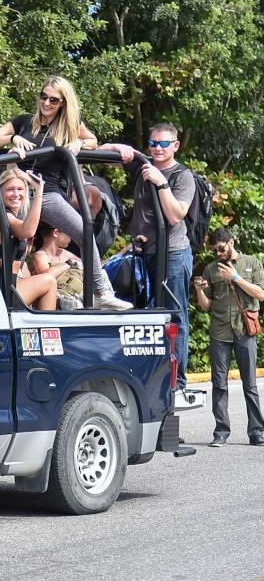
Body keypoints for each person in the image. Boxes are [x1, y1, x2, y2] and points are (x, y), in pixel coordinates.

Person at [0, 77, 127, 310]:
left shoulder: (69, 125)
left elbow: (92, 140)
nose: (46, 102)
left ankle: (101, 291)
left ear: (62, 103)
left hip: (47, 193)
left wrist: (78, 143)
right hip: (19, 191)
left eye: (53, 99)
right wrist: (13, 138)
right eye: (43, 96)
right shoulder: (24, 122)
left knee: (85, 231)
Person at [102, 123, 196, 390]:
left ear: (175, 146)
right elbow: (101, 153)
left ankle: (177, 379)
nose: (157, 148)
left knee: (173, 316)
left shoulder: (181, 176)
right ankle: (151, 375)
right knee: (143, 315)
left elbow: (176, 215)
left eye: (163, 144)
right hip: (143, 254)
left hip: (173, 254)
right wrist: (119, 147)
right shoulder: (142, 165)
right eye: (153, 143)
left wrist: (161, 182)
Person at [192, 229, 264, 447]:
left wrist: (235, 278)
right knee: (219, 384)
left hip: (244, 330)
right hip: (220, 331)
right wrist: (200, 290)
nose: (218, 253)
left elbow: (261, 294)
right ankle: (221, 432)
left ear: (231, 242)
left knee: (250, 384)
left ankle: (257, 432)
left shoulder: (251, 263)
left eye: (221, 248)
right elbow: (207, 306)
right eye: (215, 250)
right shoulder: (211, 269)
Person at [0, 168, 58, 310]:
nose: (16, 194)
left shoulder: (12, 217)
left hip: (11, 283)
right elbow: (29, 230)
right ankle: (47, 329)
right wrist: (39, 191)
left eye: (20, 189)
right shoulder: (1, 218)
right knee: (49, 281)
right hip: (2, 287)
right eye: (10, 189)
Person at [32, 225, 84, 310]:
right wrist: (68, 265)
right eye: (68, 233)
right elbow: (46, 278)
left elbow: (87, 264)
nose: (70, 237)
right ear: (55, 233)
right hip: (53, 307)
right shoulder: (40, 256)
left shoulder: (63, 253)